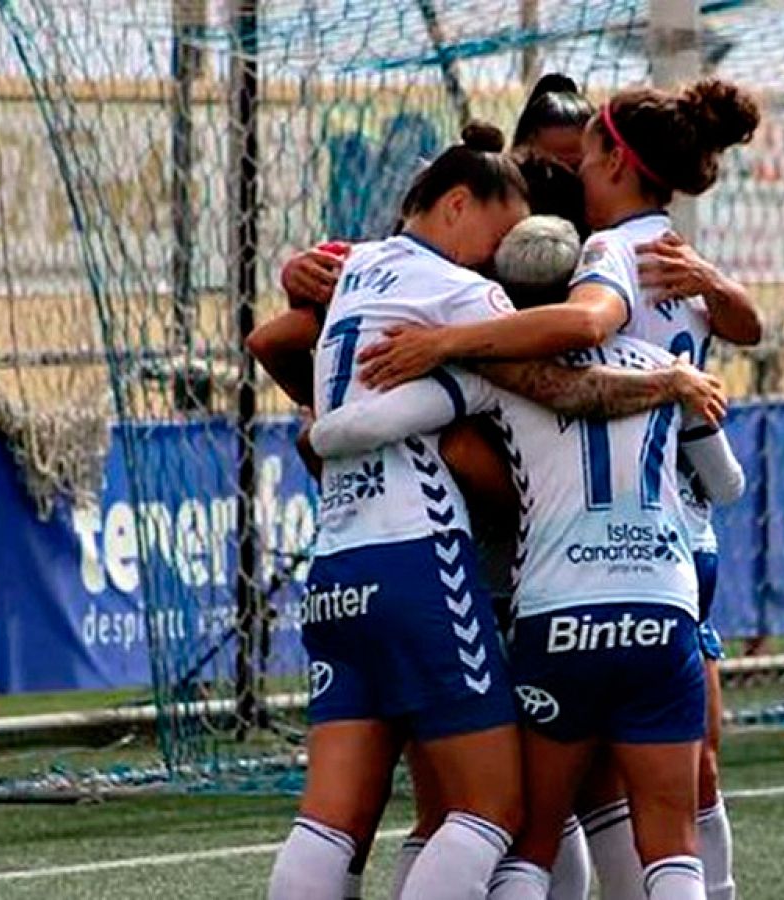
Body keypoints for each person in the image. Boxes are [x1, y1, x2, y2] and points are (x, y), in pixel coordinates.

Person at [263, 122, 726, 900]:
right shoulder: (470, 301)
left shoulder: (358, 270)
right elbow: (565, 389)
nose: (496, 253)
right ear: (456, 202)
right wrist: (671, 386)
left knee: (336, 818)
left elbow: (272, 339)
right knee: (498, 808)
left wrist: (322, 424)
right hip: (438, 563)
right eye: (495, 231)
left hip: (340, 564)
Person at [306, 330, 743, 900]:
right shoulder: (665, 368)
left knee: (528, 834)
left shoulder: (499, 372)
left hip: (554, 616)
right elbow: (727, 484)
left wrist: (320, 424)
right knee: (671, 841)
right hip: (658, 608)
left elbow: (360, 429)